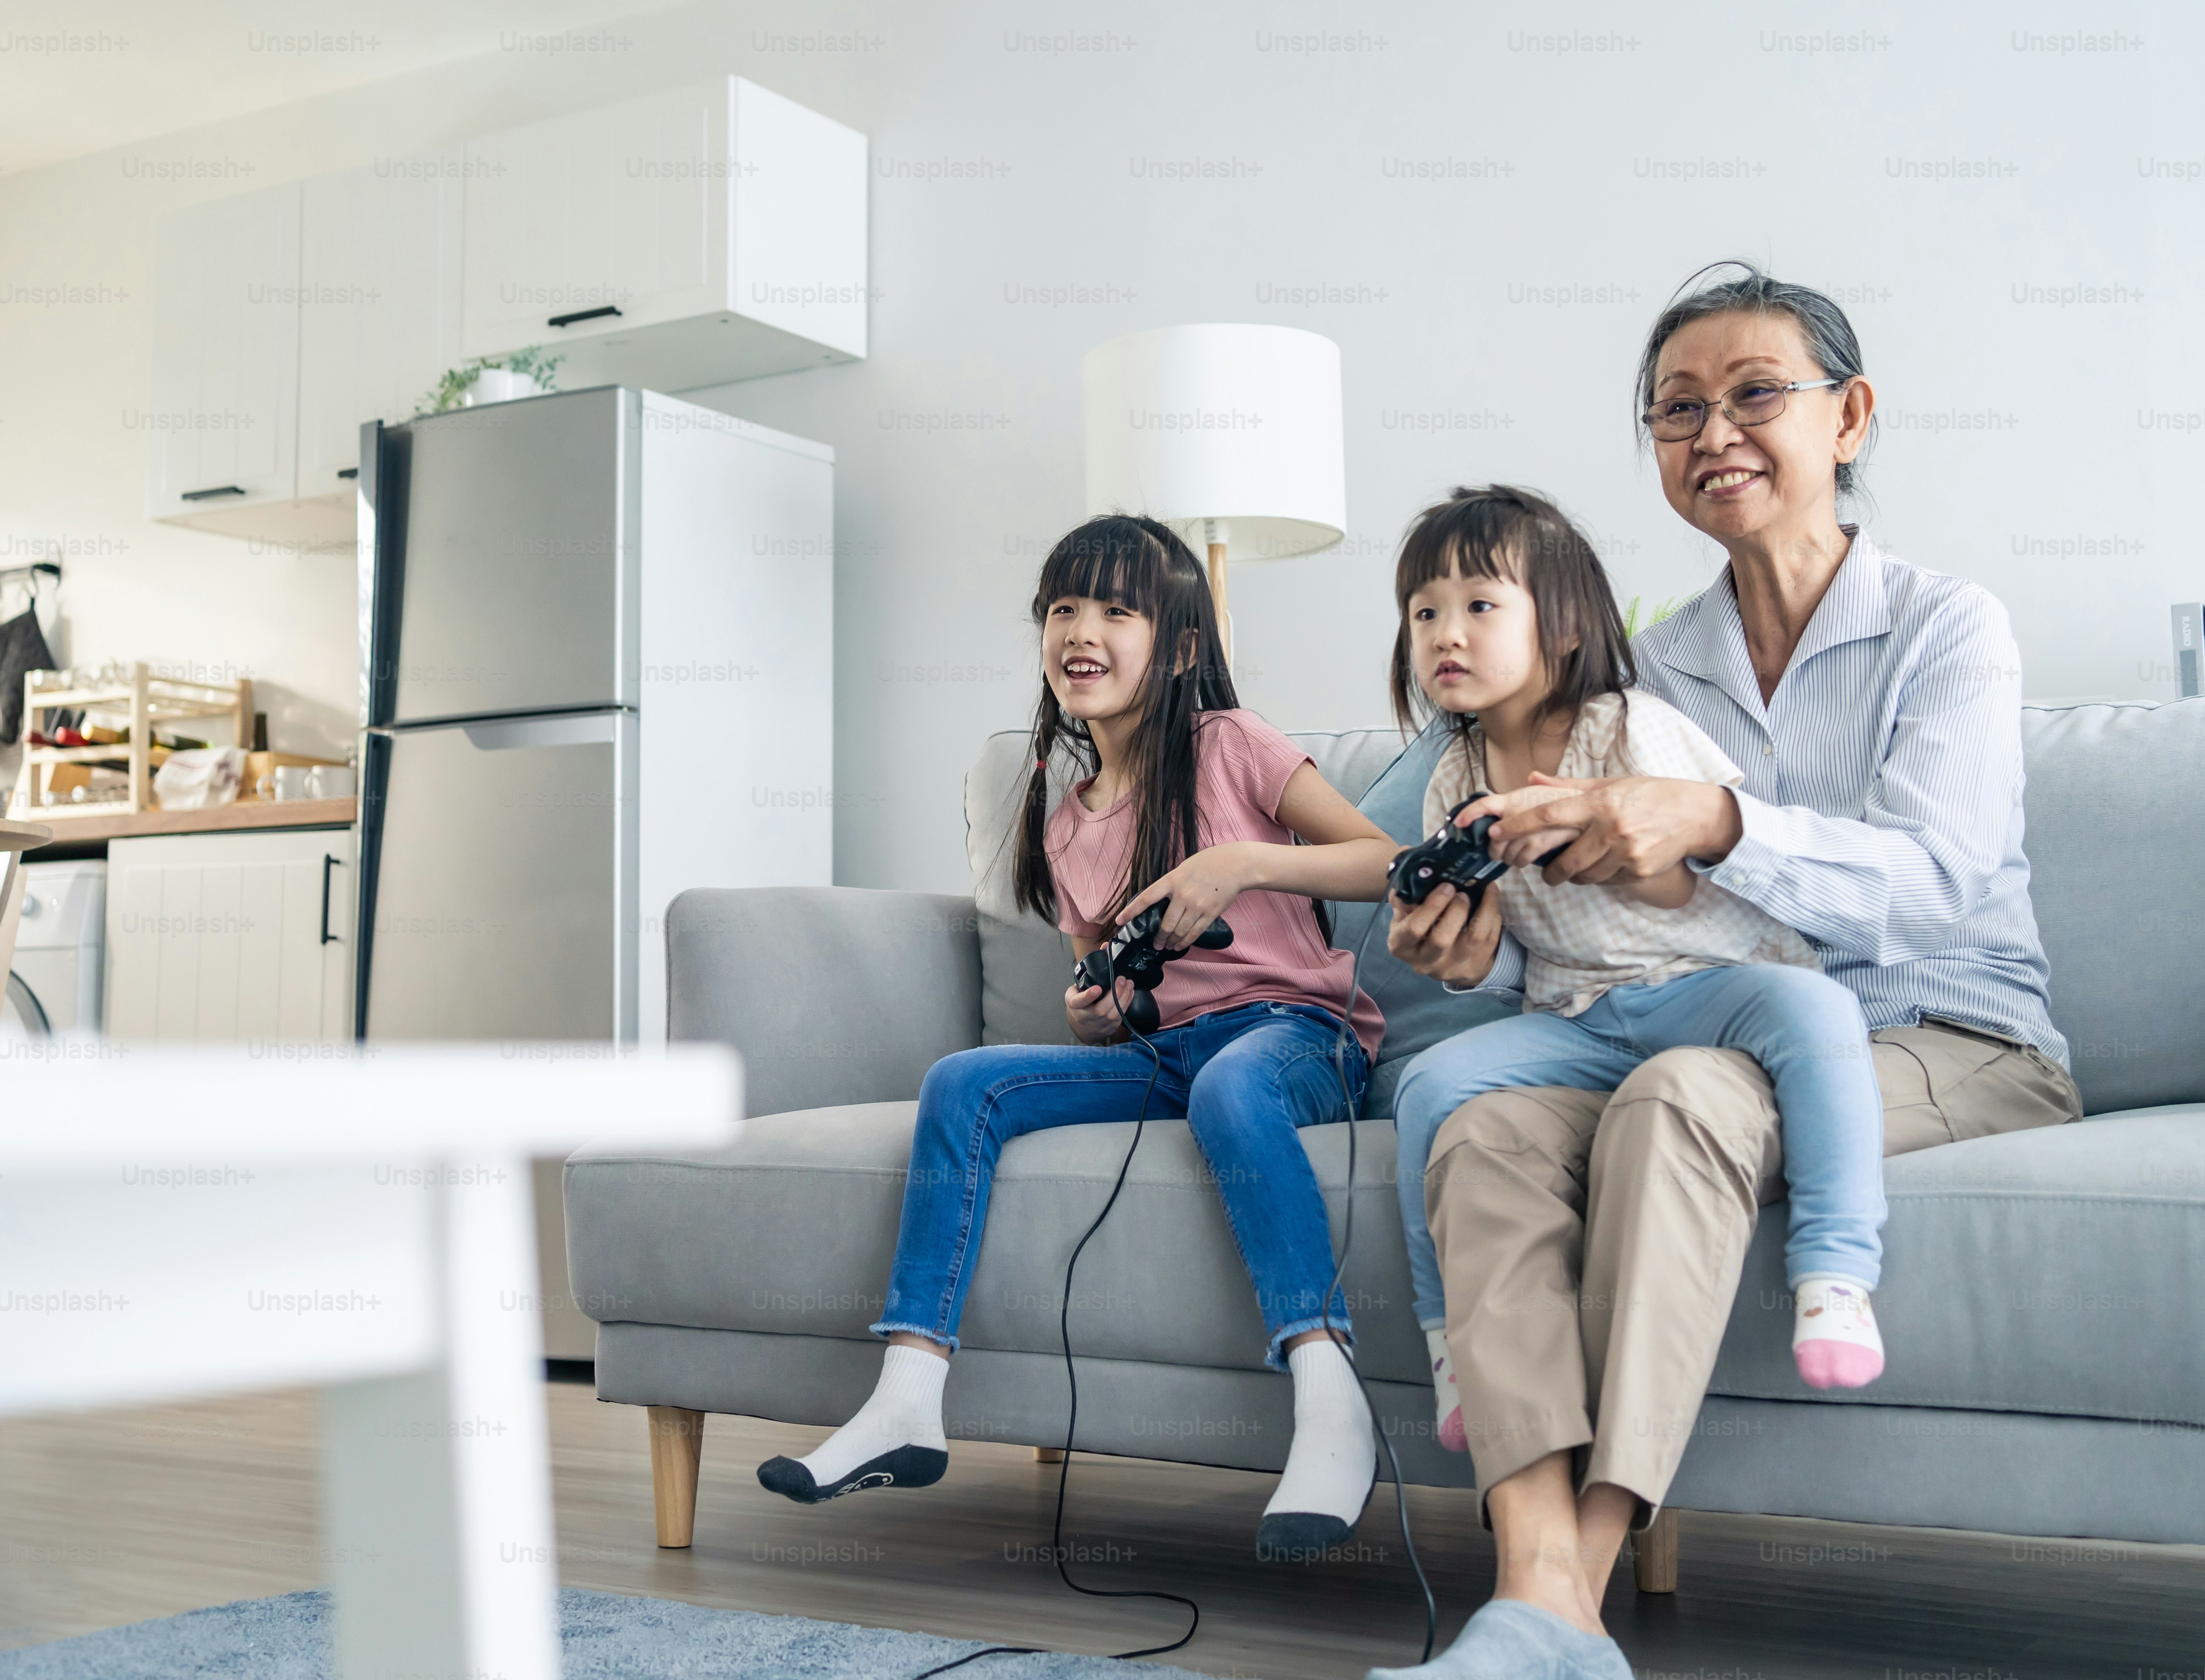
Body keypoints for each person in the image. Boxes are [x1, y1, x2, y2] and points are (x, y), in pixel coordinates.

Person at [1366, 266, 2079, 1680]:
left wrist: (1719, 821)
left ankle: (1570, 1594)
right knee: (1480, 1123)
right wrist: (1471, 938)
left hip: (1945, 1029)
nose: (1713, 434)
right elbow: (1584, 925)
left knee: (1684, 1094)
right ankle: (1535, 1593)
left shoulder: (1947, 626)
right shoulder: (1638, 671)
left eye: (1754, 394)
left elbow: (1935, 880)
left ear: (1848, 416)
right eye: (1676, 410)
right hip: (1680, 1023)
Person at [756, 513, 1406, 1561]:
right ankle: (907, 1398)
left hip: (1294, 1033)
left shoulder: (1231, 744)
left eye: (1114, 609)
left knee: (1231, 1088)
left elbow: (1386, 860)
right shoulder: (1064, 821)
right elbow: (1097, 973)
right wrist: (1088, 1011)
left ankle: (1330, 1397)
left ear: (1179, 647)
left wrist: (1241, 864)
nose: (1079, 630)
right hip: (1164, 1055)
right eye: (1062, 608)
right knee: (964, 1082)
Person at [1384, 484, 1891, 1468]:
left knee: (1818, 1011)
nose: (1447, 632)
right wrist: (1454, 936)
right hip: (1576, 1012)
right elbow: (1499, 945)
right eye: (1424, 612)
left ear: (1566, 628)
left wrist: (1592, 839)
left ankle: (1835, 1270)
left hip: (1705, 979)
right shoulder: (1452, 778)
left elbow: (1684, 885)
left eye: (1480, 604)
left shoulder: (1627, 727)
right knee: (1427, 1087)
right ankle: (1448, 1343)